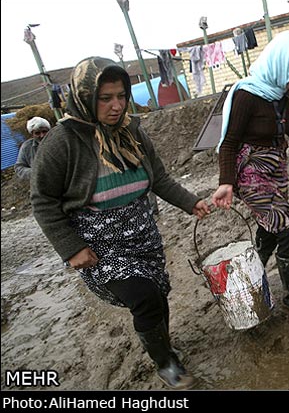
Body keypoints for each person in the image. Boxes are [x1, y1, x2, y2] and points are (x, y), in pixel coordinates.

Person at [30, 57, 211, 390]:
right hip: (99, 243)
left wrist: (191, 202)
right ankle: (165, 363)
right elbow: (42, 200)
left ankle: (163, 345)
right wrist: (72, 248)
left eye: (121, 96)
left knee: (157, 292)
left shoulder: (131, 130)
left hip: (142, 232)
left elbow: (158, 177)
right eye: (105, 98)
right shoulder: (63, 141)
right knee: (143, 296)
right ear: (85, 96)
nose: (116, 106)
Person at [211, 31, 289, 315]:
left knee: (269, 226)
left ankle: (247, 276)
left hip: (275, 168)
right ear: (282, 62)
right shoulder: (247, 95)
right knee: (287, 227)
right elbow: (230, 142)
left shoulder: (282, 90)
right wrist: (226, 182)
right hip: (251, 173)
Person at [14, 117, 52, 181]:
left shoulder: (57, 143)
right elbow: (19, 167)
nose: (42, 135)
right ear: (32, 134)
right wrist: (35, 172)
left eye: (44, 131)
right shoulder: (27, 147)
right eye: (37, 133)